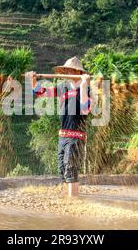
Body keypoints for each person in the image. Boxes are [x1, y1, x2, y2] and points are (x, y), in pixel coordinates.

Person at [26, 57, 91, 197]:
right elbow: (40, 93)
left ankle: (73, 200)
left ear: (78, 72)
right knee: (62, 169)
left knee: (70, 167)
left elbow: (85, 109)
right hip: (63, 136)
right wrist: (33, 80)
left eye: (70, 70)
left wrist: (84, 85)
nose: (67, 71)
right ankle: (65, 199)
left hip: (76, 136)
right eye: (66, 69)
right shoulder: (62, 87)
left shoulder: (85, 88)